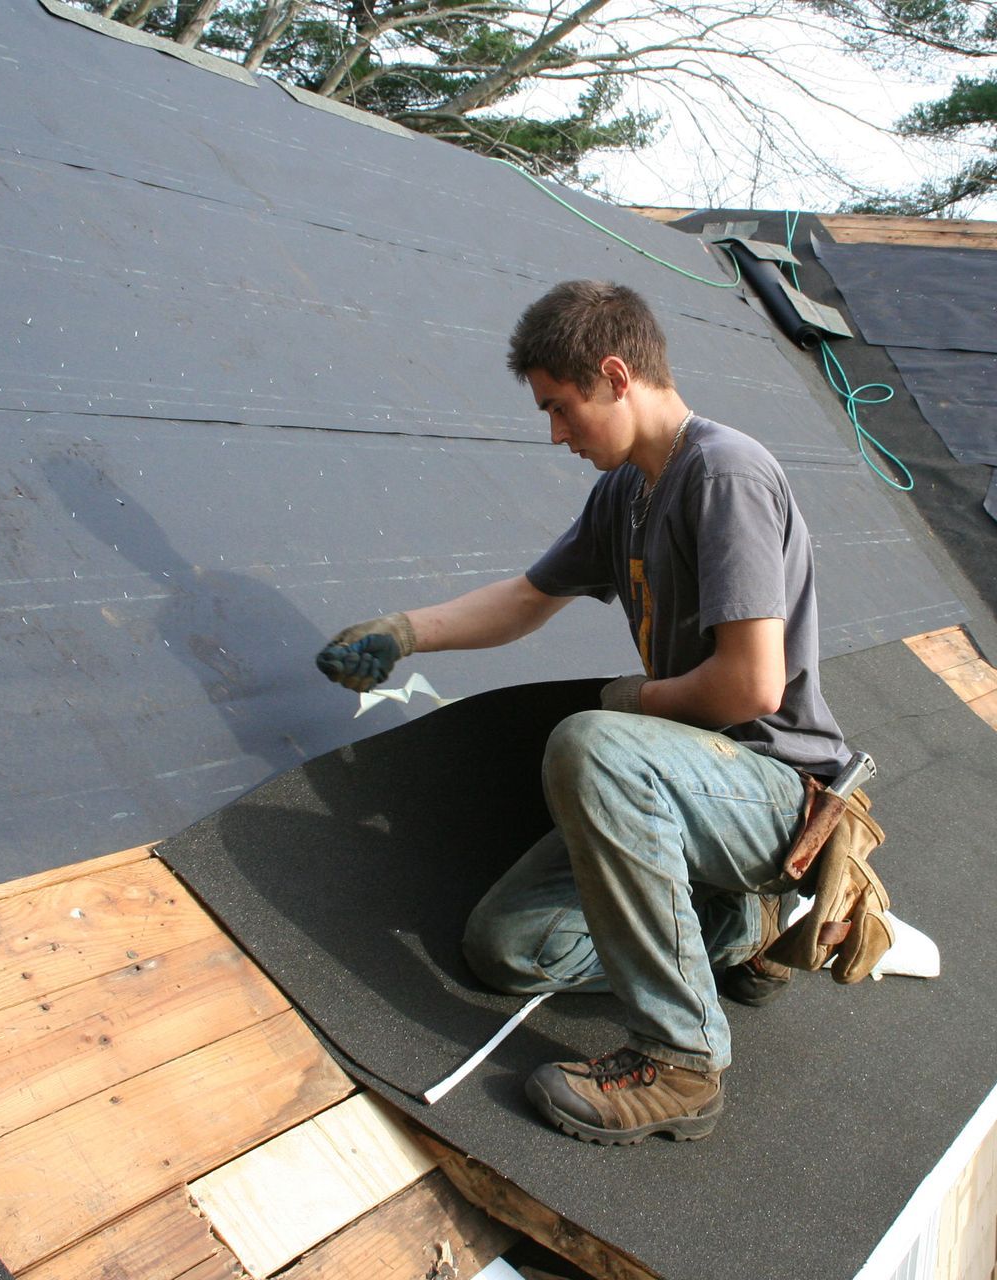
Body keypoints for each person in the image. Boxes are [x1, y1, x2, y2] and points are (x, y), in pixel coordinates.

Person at [318, 279, 850, 1145]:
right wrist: (403, 634)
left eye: (561, 409)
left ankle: (680, 1063)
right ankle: (742, 924)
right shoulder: (626, 495)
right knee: (508, 948)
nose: (556, 434)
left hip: (777, 794)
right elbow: (529, 599)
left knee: (595, 743)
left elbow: (754, 686)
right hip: (684, 791)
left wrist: (631, 700)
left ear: (615, 374)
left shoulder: (725, 473)